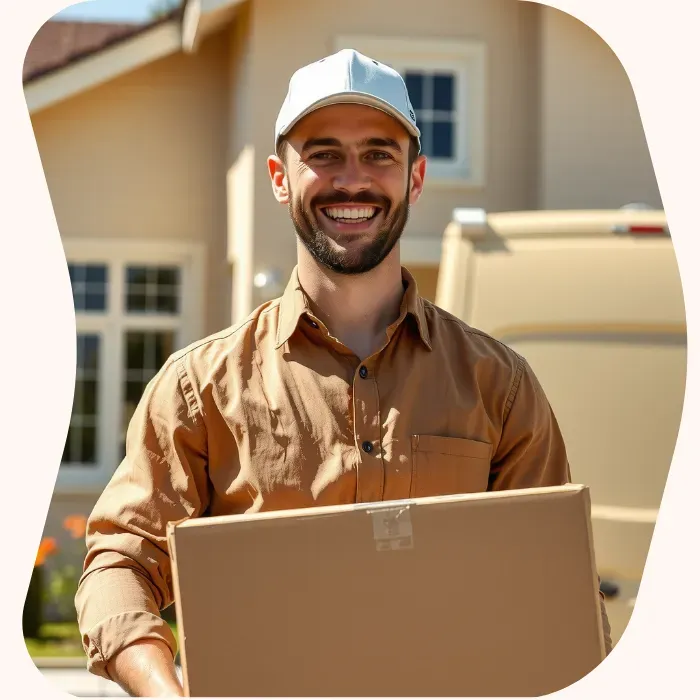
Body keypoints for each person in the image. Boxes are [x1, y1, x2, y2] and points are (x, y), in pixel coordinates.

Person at [75, 49, 612, 697]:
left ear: (415, 179)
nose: (351, 179)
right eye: (323, 153)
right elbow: (120, 562)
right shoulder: (197, 389)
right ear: (279, 177)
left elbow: (553, 585)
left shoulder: (498, 385)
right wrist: (166, 688)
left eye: (379, 153)